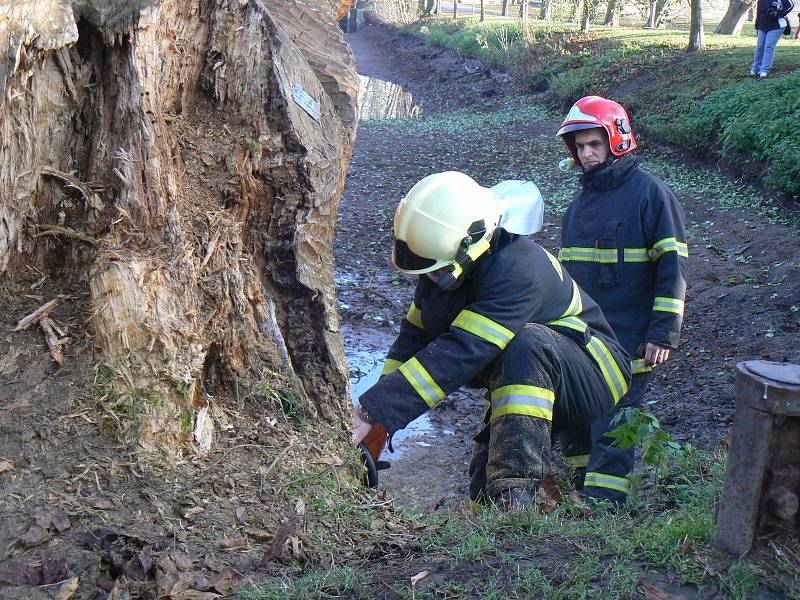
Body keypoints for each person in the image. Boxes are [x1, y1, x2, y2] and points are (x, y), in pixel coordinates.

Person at [351, 171, 631, 508]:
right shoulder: (448, 268)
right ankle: (499, 512)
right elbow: (411, 344)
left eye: (436, 271)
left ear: (473, 243)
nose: (430, 279)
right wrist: (378, 425)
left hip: (594, 372)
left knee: (526, 344)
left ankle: (517, 505)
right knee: (484, 484)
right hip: (527, 371)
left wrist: (370, 410)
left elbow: (460, 353)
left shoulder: (519, 272)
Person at [555, 96, 688, 506]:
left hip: (632, 339)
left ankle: (605, 510)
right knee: (577, 418)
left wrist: (663, 333)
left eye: (594, 144)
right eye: (579, 147)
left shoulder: (651, 195)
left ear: (618, 140)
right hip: (584, 338)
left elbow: (673, 268)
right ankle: (581, 494)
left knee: (613, 426)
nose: (587, 154)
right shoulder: (578, 206)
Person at [751, 0, 795, 77]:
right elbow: (758, 11)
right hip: (762, 25)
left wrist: (778, 14)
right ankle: (755, 68)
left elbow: (790, 5)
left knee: (768, 46)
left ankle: (764, 70)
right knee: (760, 46)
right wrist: (757, 26)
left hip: (776, 26)